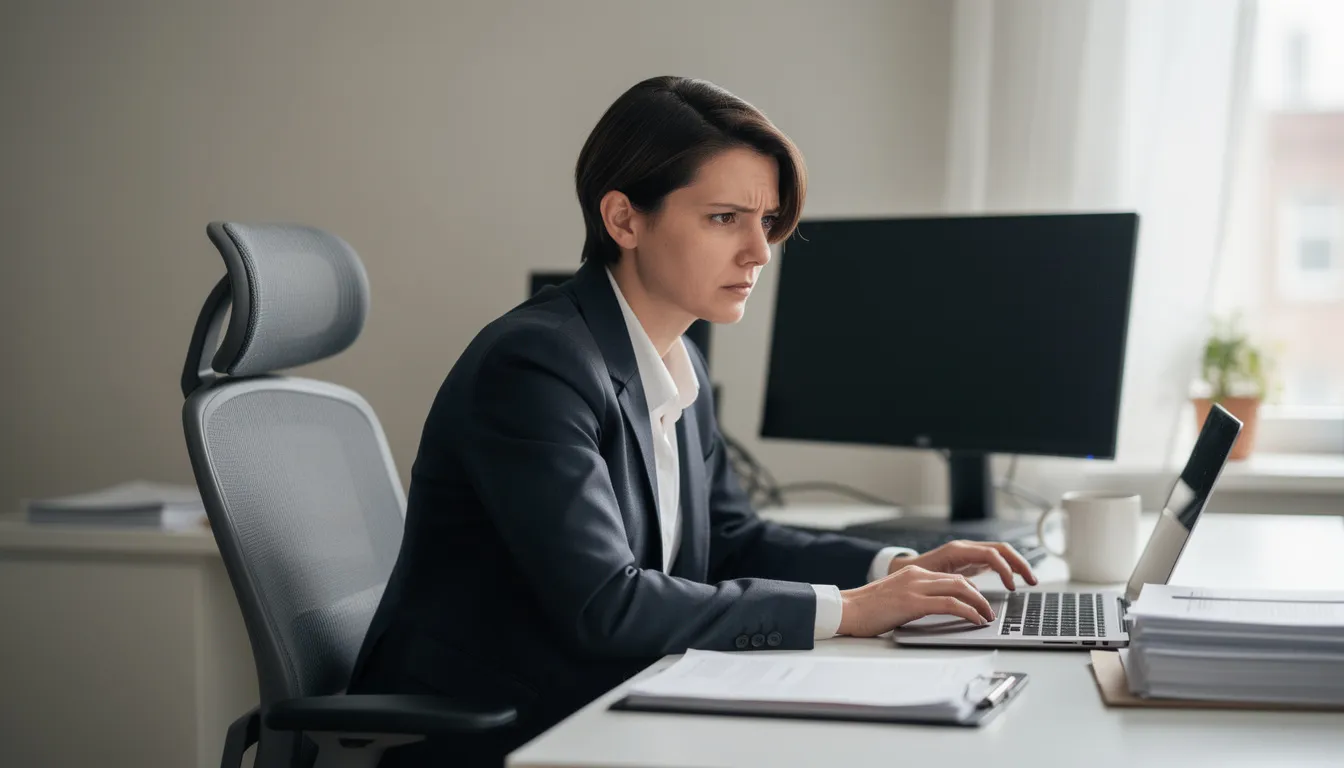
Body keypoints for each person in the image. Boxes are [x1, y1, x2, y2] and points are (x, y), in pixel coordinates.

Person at [349, 75, 1037, 767]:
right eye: (723, 218)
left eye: (764, 221)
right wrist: (852, 610)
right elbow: (606, 604)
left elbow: (732, 540)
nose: (759, 252)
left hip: (607, 704)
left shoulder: (676, 361)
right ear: (623, 219)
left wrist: (896, 569)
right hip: (497, 729)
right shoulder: (536, 364)